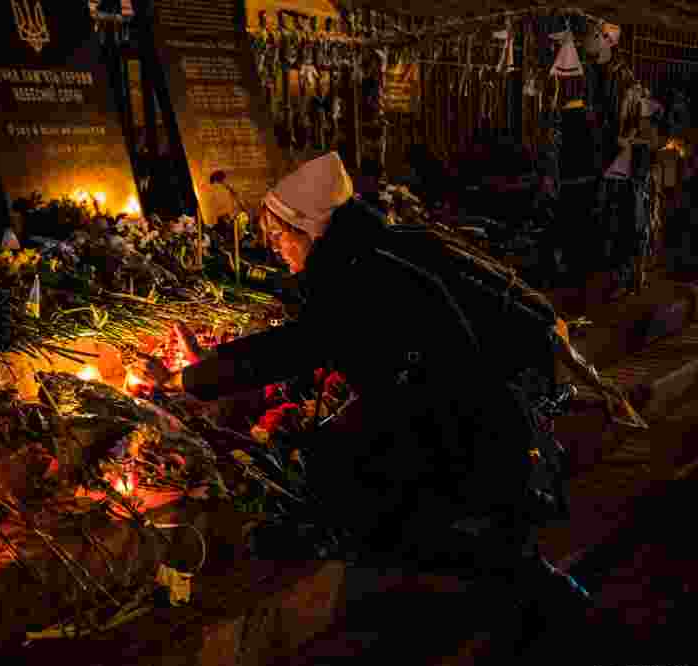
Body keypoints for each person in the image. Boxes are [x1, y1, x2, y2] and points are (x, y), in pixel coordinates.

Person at [131, 151, 633, 632]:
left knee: (460, 540)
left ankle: (572, 624)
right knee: (494, 547)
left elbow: (298, 345)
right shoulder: (385, 248)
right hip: (474, 413)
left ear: (309, 229)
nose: (276, 247)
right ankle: (547, 607)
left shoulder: (358, 275)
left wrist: (187, 379)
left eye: (279, 235)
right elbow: (325, 342)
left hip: (460, 425)